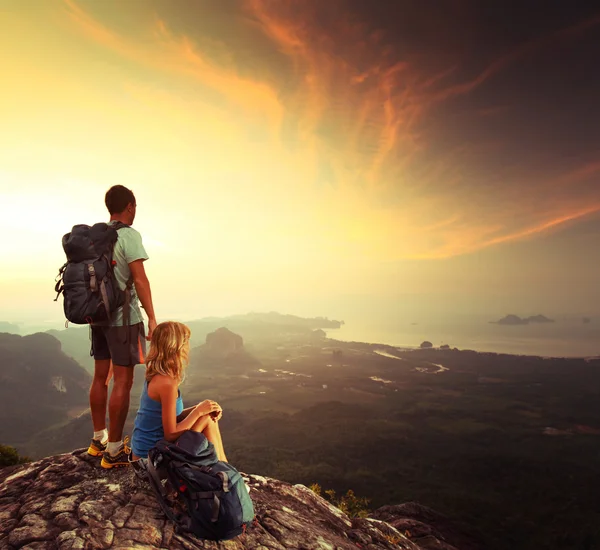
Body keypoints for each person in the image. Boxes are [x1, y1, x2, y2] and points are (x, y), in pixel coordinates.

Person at [87, 185, 158, 468]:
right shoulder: (128, 236)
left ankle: (97, 439)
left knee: (100, 376)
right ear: (130, 206)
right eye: (135, 206)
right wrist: (152, 317)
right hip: (123, 320)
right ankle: (114, 450)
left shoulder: (95, 237)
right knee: (123, 381)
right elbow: (140, 279)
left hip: (97, 316)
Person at [130, 321, 228, 467]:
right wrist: (199, 411)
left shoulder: (156, 374)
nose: (187, 347)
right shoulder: (166, 383)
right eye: (185, 342)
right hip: (151, 459)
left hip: (142, 452)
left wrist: (203, 408)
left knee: (207, 415)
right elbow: (171, 434)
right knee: (207, 420)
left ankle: (226, 469)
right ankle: (225, 473)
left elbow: (168, 418)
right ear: (175, 347)